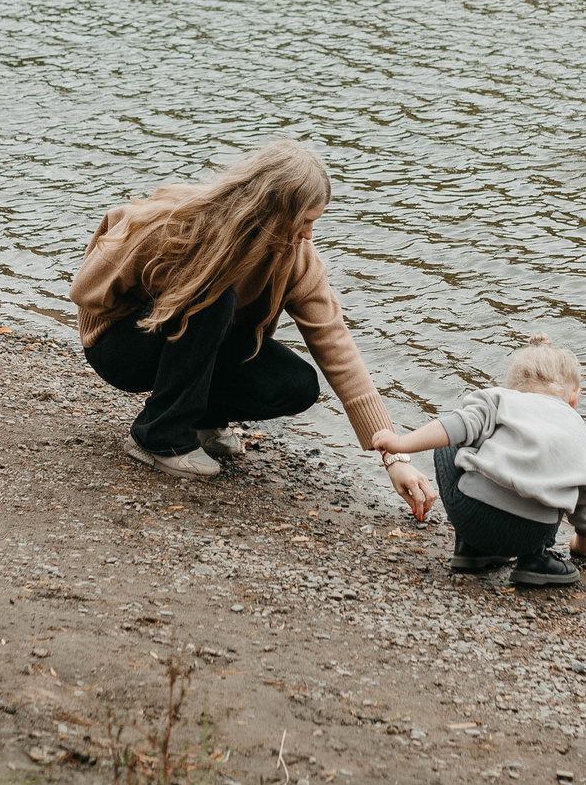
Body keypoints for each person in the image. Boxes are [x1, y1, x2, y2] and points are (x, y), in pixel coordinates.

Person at [71, 141, 441, 521]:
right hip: (120, 346)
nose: (310, 234)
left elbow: (337, 346)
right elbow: (85, 290)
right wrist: (161, 297)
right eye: (305, 221)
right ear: (271, 210)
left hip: (189, 344)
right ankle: (159, 436)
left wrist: (393, 453)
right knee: (213, 296)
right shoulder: (179, 222)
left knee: (296, 384)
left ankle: (199, 422)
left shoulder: (296, 259)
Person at [373, 337, 586, 588]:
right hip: (533, 534)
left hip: (473, 518)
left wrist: (400, 442)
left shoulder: (501, 398)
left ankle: (470, 549)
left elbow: (455, 427)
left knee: (454, 439)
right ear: (575, 397)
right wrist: (581, 547)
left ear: (514, 385)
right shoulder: (579, 430)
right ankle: (535, 560)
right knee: (559, 471)